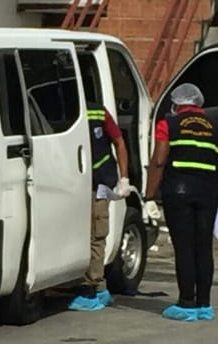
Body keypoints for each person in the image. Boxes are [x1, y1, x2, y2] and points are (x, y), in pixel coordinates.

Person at [143, 83, 218, 322]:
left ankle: (187, 302)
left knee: (184, 246)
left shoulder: (168, 125)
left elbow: (158, 161)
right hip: (207, 193)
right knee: (203, 247)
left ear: (177, 105)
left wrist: (149, 197)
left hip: (178, 191)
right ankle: (204, 304)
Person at [68, 99, 131, 312]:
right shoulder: (62, 107)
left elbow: (119, 142)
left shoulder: (97, 112)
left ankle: (92, 286)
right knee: (80, 232)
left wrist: (124, 178)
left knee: (96, 233)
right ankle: (93, 284)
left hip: (99, 181)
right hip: (74, 181)